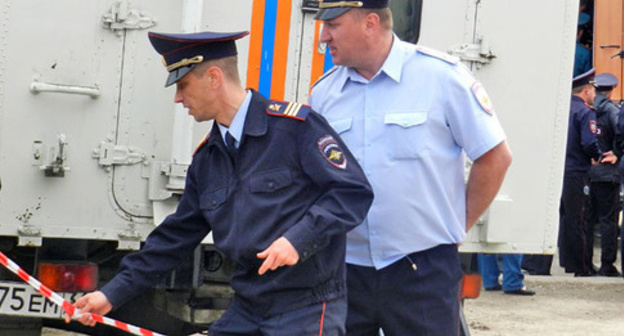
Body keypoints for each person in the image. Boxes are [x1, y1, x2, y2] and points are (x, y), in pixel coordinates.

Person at [66, 30, 374, 336]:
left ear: (214, 77)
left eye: (183, 85)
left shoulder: (295, 129)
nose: (178, 98)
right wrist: (111, 294)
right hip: (248, 307)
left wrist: (298, 239)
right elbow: (174, 238)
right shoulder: (208, 158)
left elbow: (353, 192)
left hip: (305, 308)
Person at [310, 1, 512, 335]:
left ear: (370, 23)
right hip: (346, 271)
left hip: (423, 270)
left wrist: (458, 225)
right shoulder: (324, 93)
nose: (323, 37)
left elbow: (494, 156)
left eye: (333, 25)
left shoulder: (442, 78)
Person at [558, 69, 617, 277]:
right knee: (584, 219)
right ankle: (584, 266)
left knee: (568, 218)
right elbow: (589, 142)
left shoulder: (562, 108)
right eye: (593, 91)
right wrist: (599, 156)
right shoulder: (586, 112)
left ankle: (567, 261)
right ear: (586, 91)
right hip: (584, 170)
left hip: (563, 169)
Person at [585, 73, 621, 277]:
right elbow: (620, 133)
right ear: (612, 90)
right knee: (608, 221)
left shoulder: (585, 108)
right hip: (608, 174)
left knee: (587, 220)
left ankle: (586, 263)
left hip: (588, 172)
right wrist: (616, 153)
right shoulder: (612, 112)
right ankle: (607, 265)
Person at [574, 13, 592, 77]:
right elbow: (589, 78)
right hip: (577, 86)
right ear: (581, 32)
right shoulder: (585, 53)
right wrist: (595, 85)